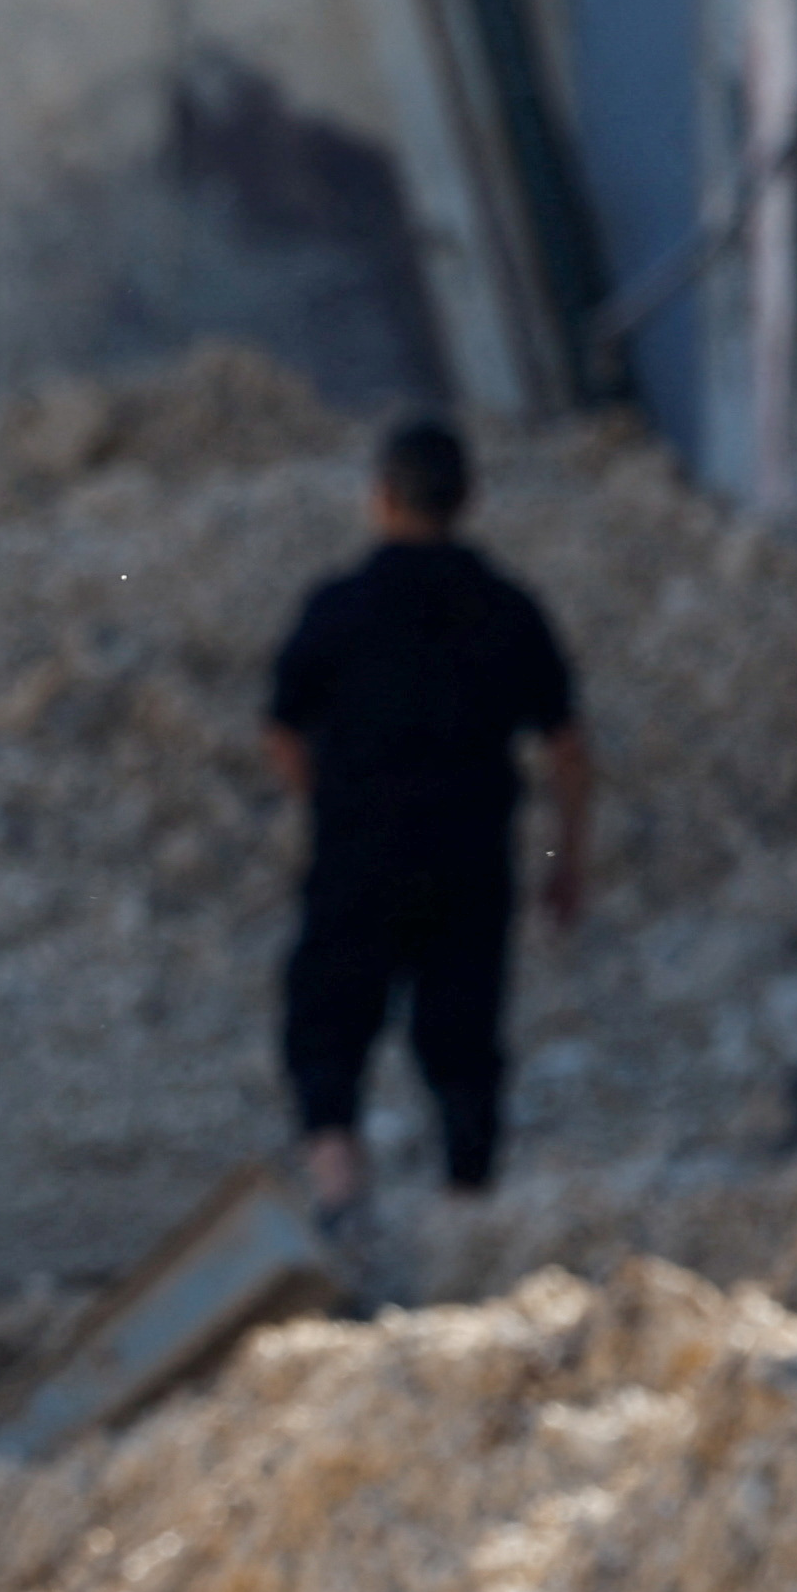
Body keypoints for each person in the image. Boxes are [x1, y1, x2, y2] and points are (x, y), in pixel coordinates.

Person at [264, 415, 589, 1234]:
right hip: (470, 856)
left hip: (359, 854)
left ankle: (340, 1192)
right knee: (465, 1038)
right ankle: (465, 1215)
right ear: (468, 499)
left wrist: (326, 803)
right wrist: (564, 857)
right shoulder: (509, 609)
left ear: (379, 497)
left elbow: (281, 727)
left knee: (327, 1024)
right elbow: (567, 748)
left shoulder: (339, 607)